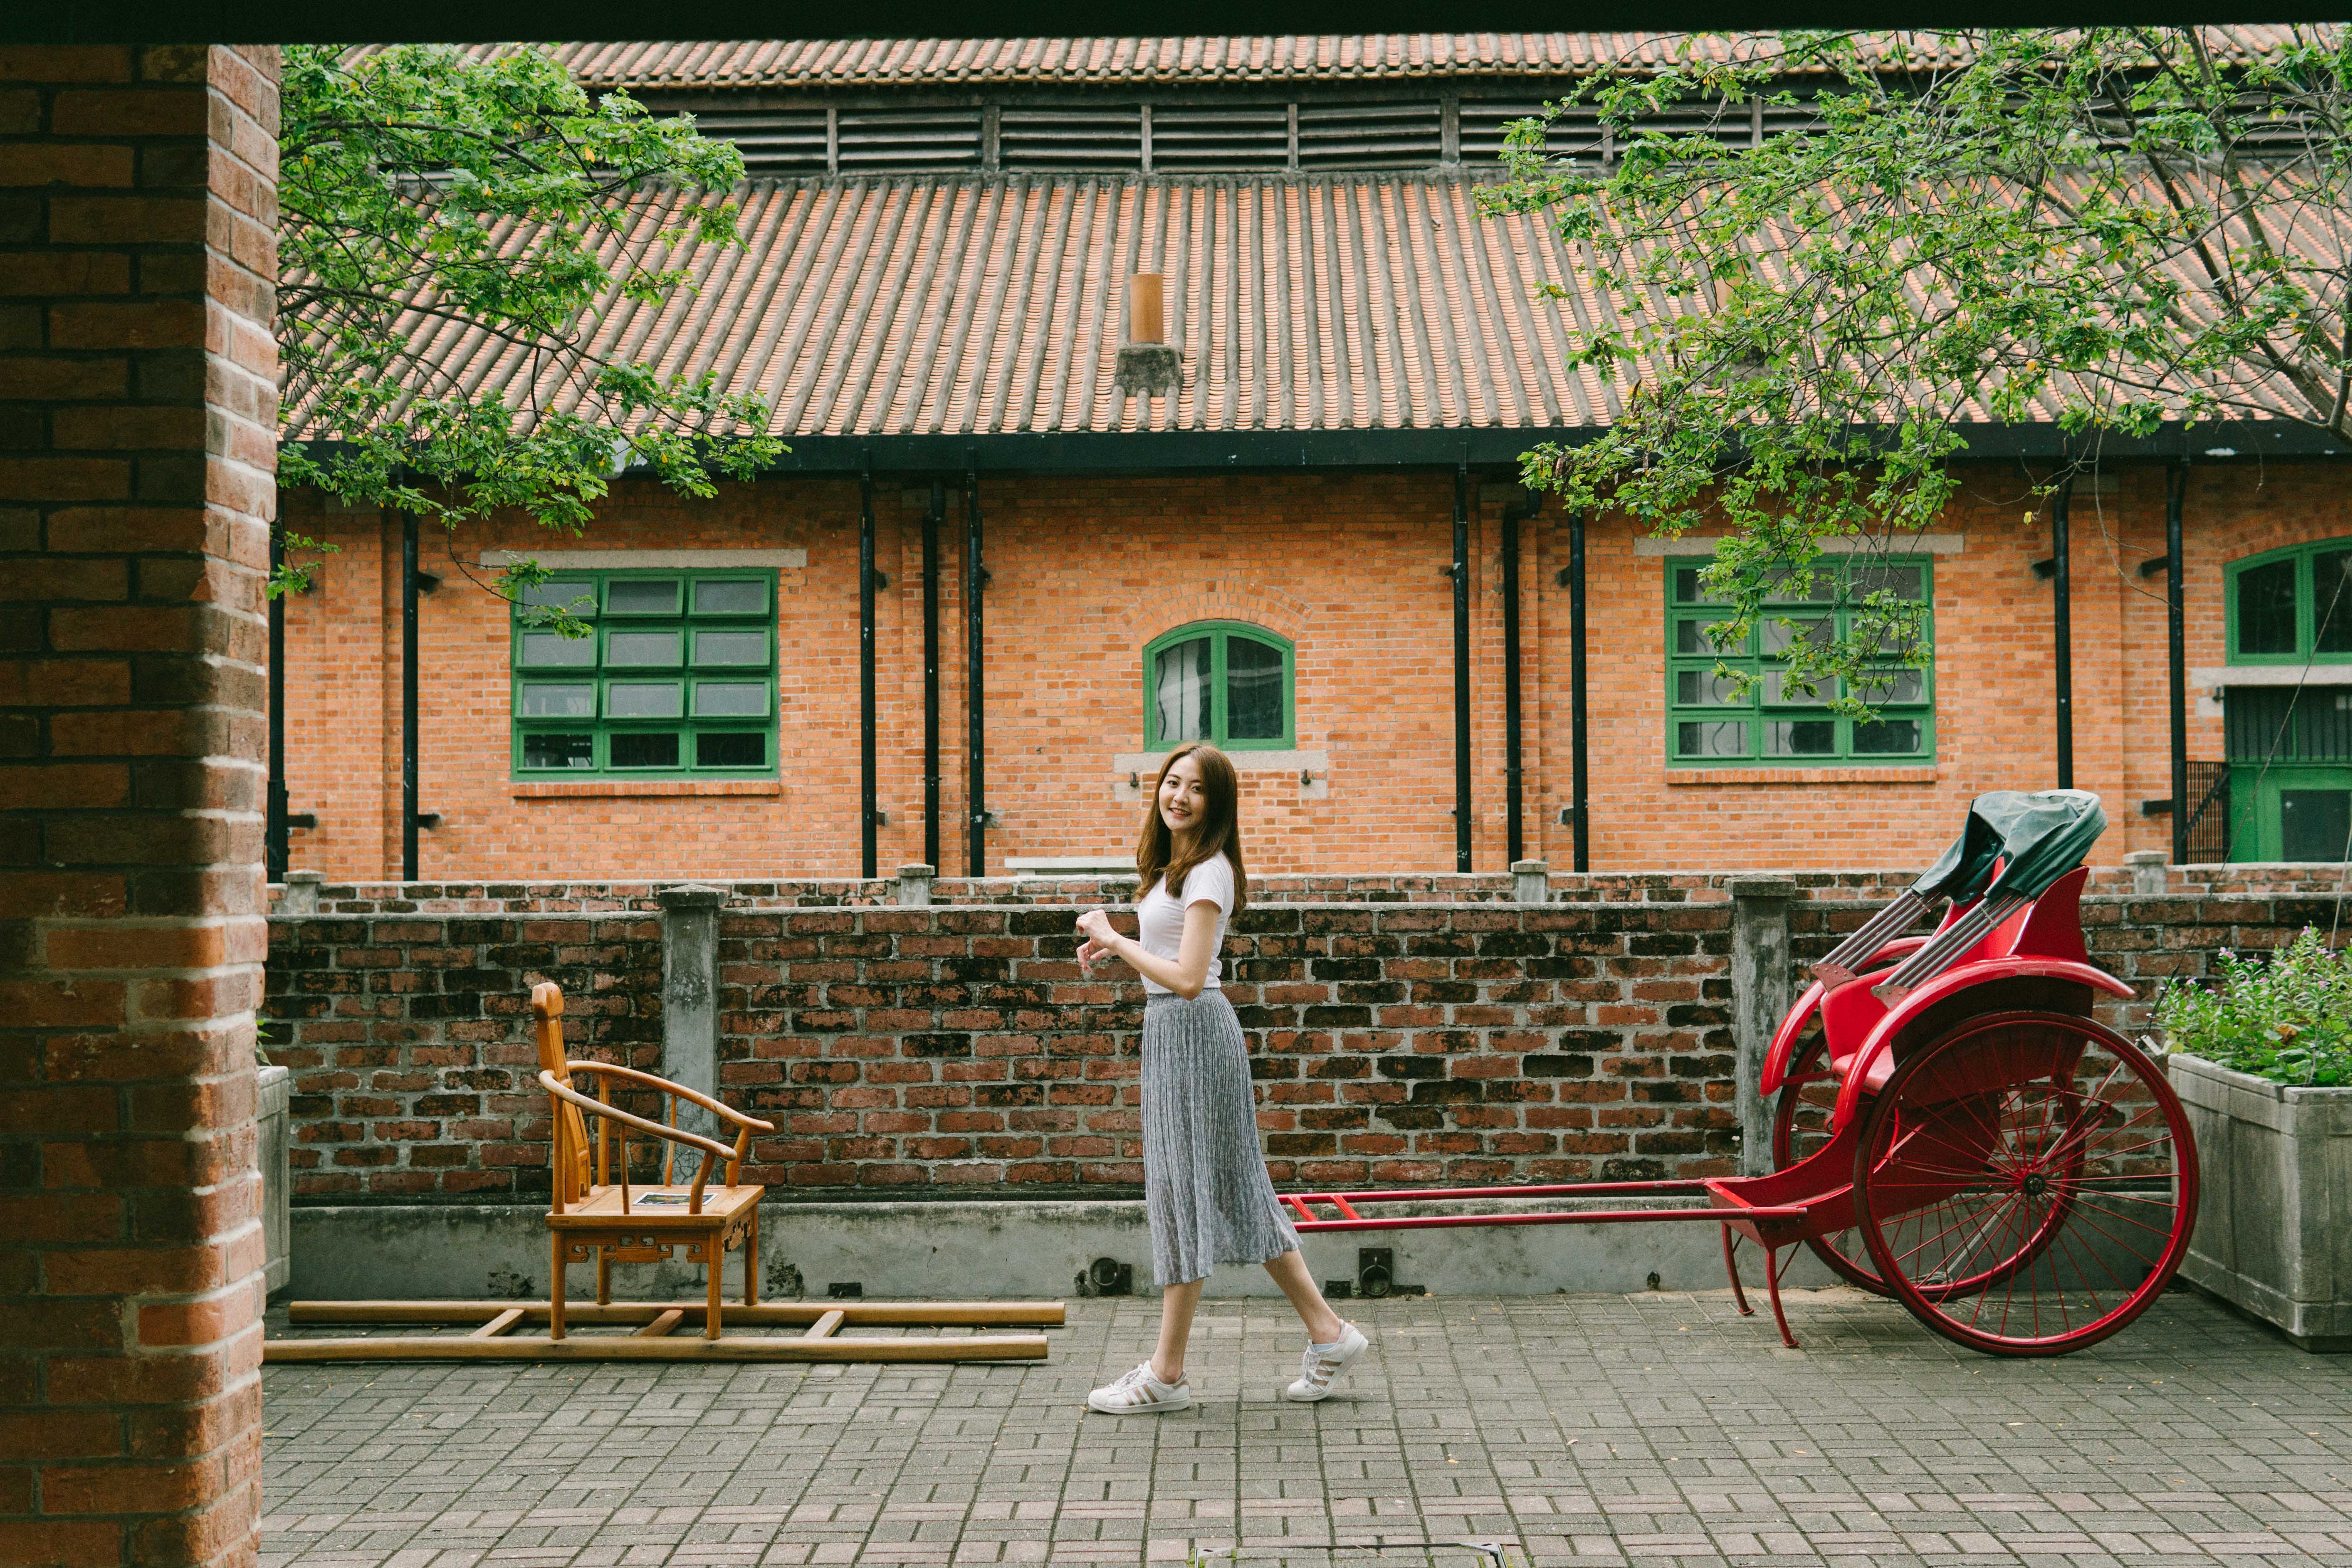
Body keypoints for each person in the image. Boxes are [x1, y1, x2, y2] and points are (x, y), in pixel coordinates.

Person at [1074, 742, 1369, 1414]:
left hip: (1194, 1033)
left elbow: (1185, 980)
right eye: (1171, 782)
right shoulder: (1176, 868)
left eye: (1195, 789)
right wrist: (1117, 946)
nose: (1178, 795)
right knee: (1231, 1187)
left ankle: (1166, 1374)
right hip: (1174, 1036)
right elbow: (1172, 958)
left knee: (1186, 1190)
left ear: (1217, 803)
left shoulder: (1208, 871)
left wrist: (1116, 938)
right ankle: (1330, 1335)